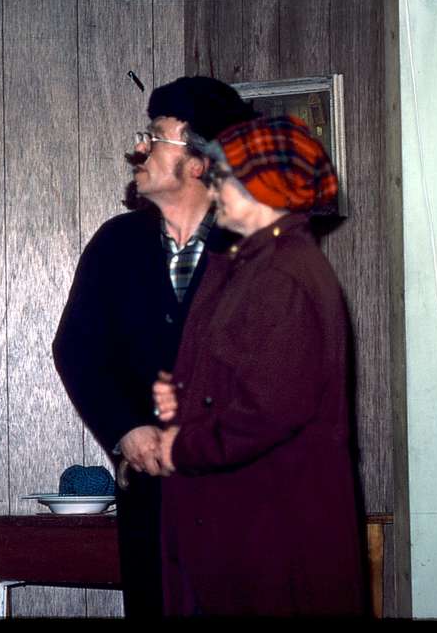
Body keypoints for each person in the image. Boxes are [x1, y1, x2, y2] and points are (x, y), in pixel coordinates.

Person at [52, 76, 257, 617]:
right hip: (152, 500)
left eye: (155, 136)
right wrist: (125, 429)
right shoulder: (116, 243)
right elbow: (77, 348)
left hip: (246, 498)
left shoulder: (259, 248)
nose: (138, 149)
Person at [150, 115, 366, 616]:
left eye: (225, 177)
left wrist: (182, 447)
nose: (214, 188)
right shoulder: (252, 265)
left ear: (264, 187)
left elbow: (268, 412)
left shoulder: (282, 275)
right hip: (242, 527)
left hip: (269, 536)